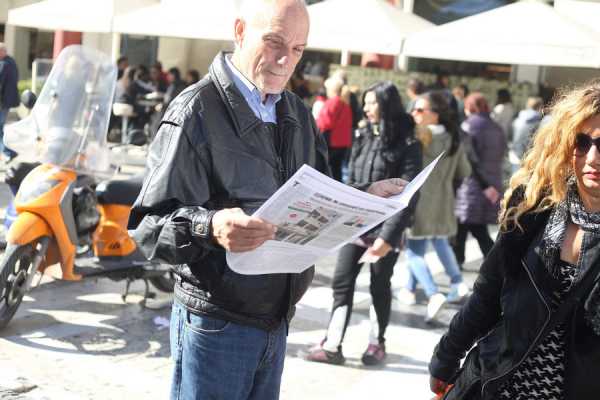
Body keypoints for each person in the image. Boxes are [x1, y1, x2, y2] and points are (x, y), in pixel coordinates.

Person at [128, 1, 407, 399]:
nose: (283, 60)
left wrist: (364, 198)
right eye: (274, 41)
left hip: (276, 319)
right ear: (240, 31)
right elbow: (148, 226)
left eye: (297, 50)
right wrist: (210, 226)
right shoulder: (195, 110)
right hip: (217, 321)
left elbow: (319, 195)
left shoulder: (296, 111)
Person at [429, 80, 600, 400]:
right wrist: (446, 357)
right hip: (497, 382)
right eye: (581, 142)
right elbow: (488, 291)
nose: (591, 158)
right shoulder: (535, 206)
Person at [304, 81, 422, 366]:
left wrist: (388, 237)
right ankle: (333, 343)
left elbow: (409, 194)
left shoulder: (408, 143)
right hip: (356, 225)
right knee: (342, 282)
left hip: (386, 229)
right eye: (366, 102)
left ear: (387, 104)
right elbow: (353, 180)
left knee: (379, 286)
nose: (367, 108)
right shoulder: (362, 134)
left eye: (373, 103)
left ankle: (376, 343)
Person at [397, 91, 471, 323]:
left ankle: (432, 292)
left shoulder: (416, 138)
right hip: (443, 202)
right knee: (435, 242)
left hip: (418, 203)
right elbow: (465, 172)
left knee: (413, 251)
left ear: (435, 114)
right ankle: (451, 283)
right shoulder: (453, 139)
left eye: (419, 110)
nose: (413, 113)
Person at [453, 93, 506, 270]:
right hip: (493, 181)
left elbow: (468, 158)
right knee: (468, 225)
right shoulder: (497, 127)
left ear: (470, 107)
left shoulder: (468, 126)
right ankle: (457, 260)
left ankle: (490, 262)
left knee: (470, 225)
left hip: (472, 183)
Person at [316, 75, 352, 182]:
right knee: (337, 170)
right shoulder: (345, 103)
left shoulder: (332, 102)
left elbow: (325, 123)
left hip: (332, 142)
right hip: (343, 142)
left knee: (327, 169)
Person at [0, 43, 19, 160]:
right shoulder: (12, 63)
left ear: (2, 51)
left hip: (2, 102)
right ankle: (8, 151)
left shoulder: (4, 64)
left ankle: (8, 152)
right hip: (7, 102)